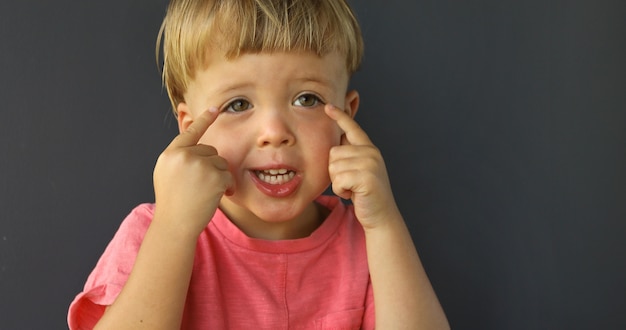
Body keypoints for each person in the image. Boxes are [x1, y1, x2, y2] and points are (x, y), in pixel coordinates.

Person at [68, 0, 449, 329]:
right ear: (192, 131)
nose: (274, 132)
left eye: (307, 99)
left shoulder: (370, 240)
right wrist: (174, 229)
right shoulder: (153, 231)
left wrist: (384, 223)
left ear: (347, 117)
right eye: (238, 104)